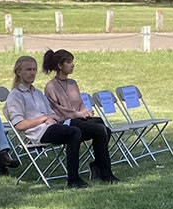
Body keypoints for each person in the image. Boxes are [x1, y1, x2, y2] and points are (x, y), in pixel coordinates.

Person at [5, 55, 111, 189]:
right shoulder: (15, 95)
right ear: (18, 72)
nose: (32, 73)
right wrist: (43, 119)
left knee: (100, 128)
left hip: (55, 125)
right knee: (74, 132)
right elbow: (19, 125)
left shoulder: (37, 93)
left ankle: (104, 172)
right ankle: (73, 179)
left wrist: (52, 118)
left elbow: (52, 113)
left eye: (34, 70)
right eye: (28, 70)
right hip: (40, 132)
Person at [40, 48, 117, 183]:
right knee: (99, 129)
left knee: (104, 128)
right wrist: (79, 114)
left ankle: (98, 165)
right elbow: (59, 110)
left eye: (72, 62)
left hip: (79, 118)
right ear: (60, 66)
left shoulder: (73, 83)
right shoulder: (51, 87)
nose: (72, 65)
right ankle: (105, 172)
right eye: (69, 62)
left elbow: (80, 103)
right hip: (65, 122)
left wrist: (85, 113)